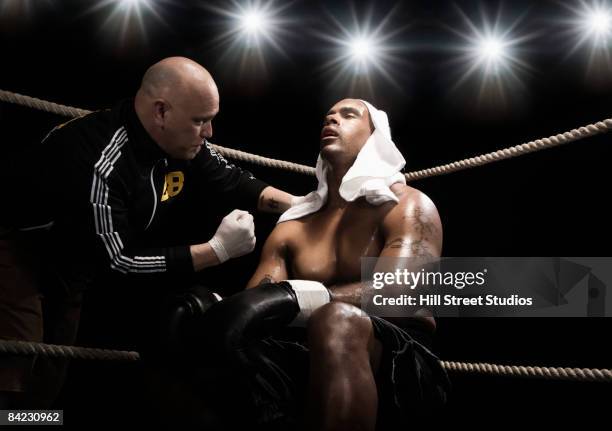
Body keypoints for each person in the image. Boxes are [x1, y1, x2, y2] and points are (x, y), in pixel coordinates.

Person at [0, 56, 295, 408]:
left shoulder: (359, 210)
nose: (209, 133)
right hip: (19, 249)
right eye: (200, 121)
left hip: (74, 263)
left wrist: (303, 202)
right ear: (161, 113)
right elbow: (120, 262)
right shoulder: (99, 162)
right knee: (17, 376)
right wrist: (216, 251)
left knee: (49, 379)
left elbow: (229, 179)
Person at [180, 98, 450, 430]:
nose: (332, 119)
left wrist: (298, 297)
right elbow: (259, 303)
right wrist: (215, 308)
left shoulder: (405, 205)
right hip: (305, 351)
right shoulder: (294, 225)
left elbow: (400, 293)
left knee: (337, 320)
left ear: (374, 137)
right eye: (328, 116)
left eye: (348, 115)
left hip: (400, 359)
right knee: (189, 317)